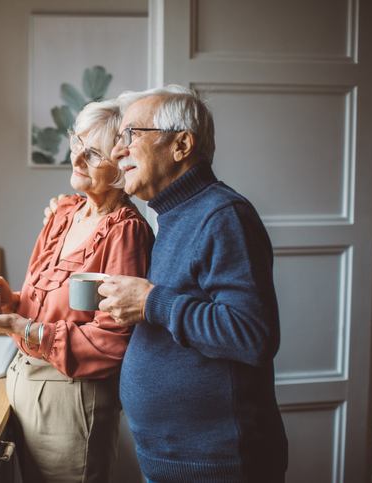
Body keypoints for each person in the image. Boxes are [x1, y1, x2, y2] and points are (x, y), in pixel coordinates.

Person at [96, 85, 288, 483]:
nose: (117, 151)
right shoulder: (173, 215)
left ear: (181, 144)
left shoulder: (224, 215)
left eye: (131, 135)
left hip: (219, 467)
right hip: (176, 463)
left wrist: (153, 303)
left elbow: (253, 335)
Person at [0, 98, 154, 483]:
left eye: (93, 153)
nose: (77, 159)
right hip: (23, 386)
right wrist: (10, 301)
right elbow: (45, 306)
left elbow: (114, 342)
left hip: (72, 400)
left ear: (121, 161)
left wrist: (22, 326)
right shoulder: (64, 214)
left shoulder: (125, 232)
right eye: (76, 143)